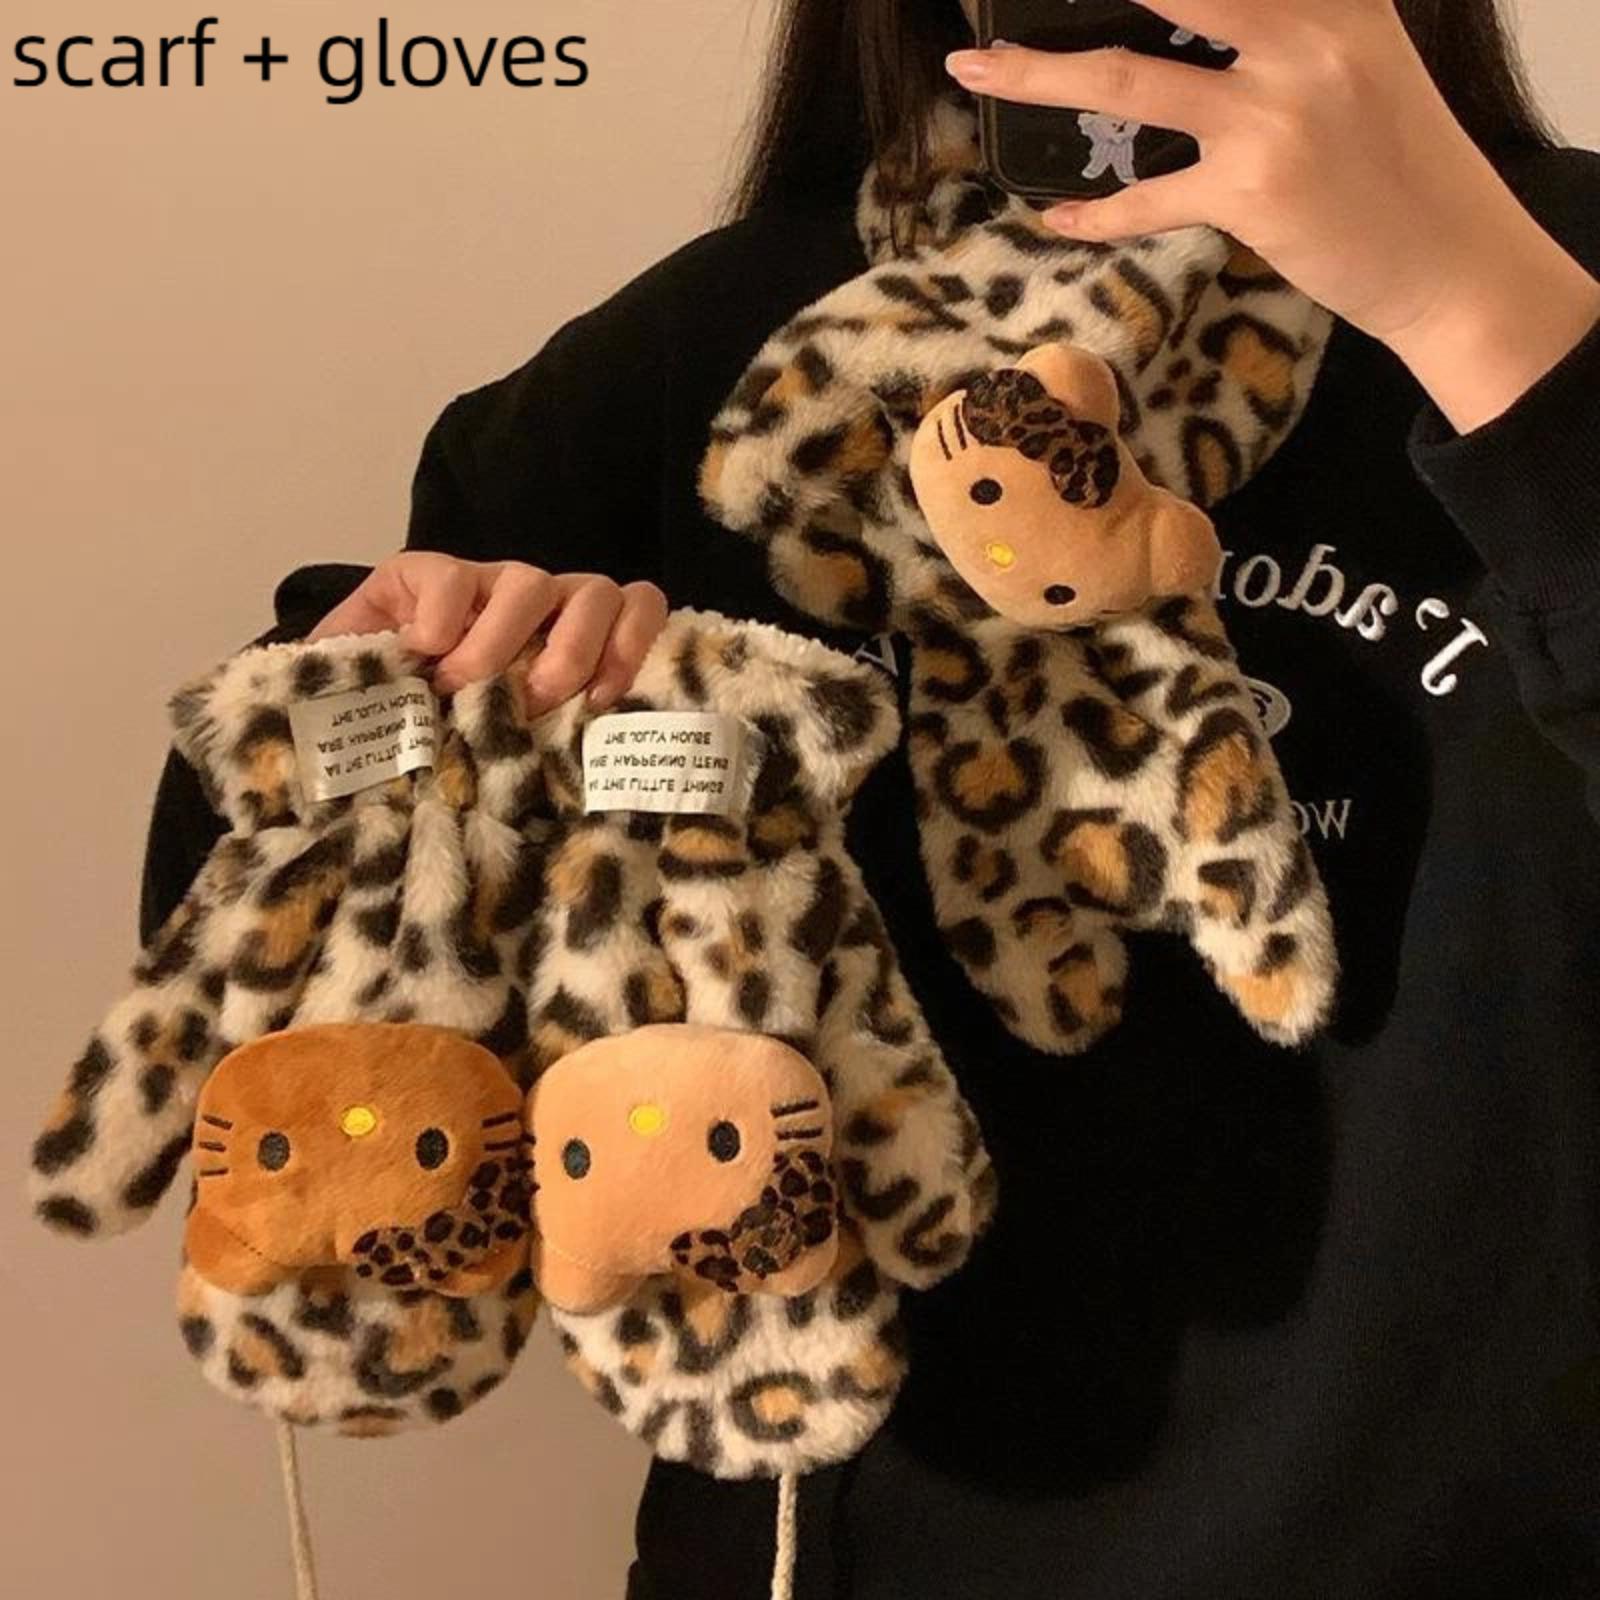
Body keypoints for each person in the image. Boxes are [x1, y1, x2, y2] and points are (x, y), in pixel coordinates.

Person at [142, 3, 1600, 1596]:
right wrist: (389, 702)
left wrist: (1473, 307)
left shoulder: (1554, 296)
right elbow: (260, 1027)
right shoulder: (734, 360)